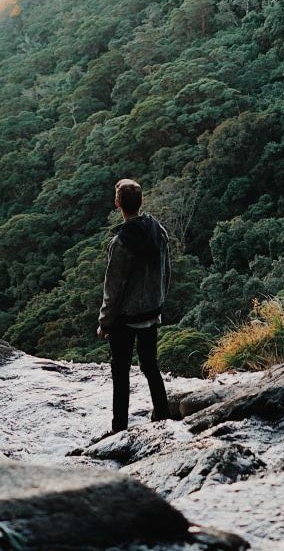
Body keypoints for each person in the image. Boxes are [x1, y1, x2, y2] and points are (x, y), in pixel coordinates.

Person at [97, 178, 172, 433]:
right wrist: (160, 301)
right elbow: (166, 270)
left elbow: (113, 288)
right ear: (141, 202)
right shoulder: (158, 230)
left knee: (120, 370)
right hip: (151, 311)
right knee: (150, 365)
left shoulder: (120, 243)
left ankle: (119, 428)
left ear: (117, 203)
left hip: (126, 317)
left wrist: (104, 323)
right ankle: (163, 415)